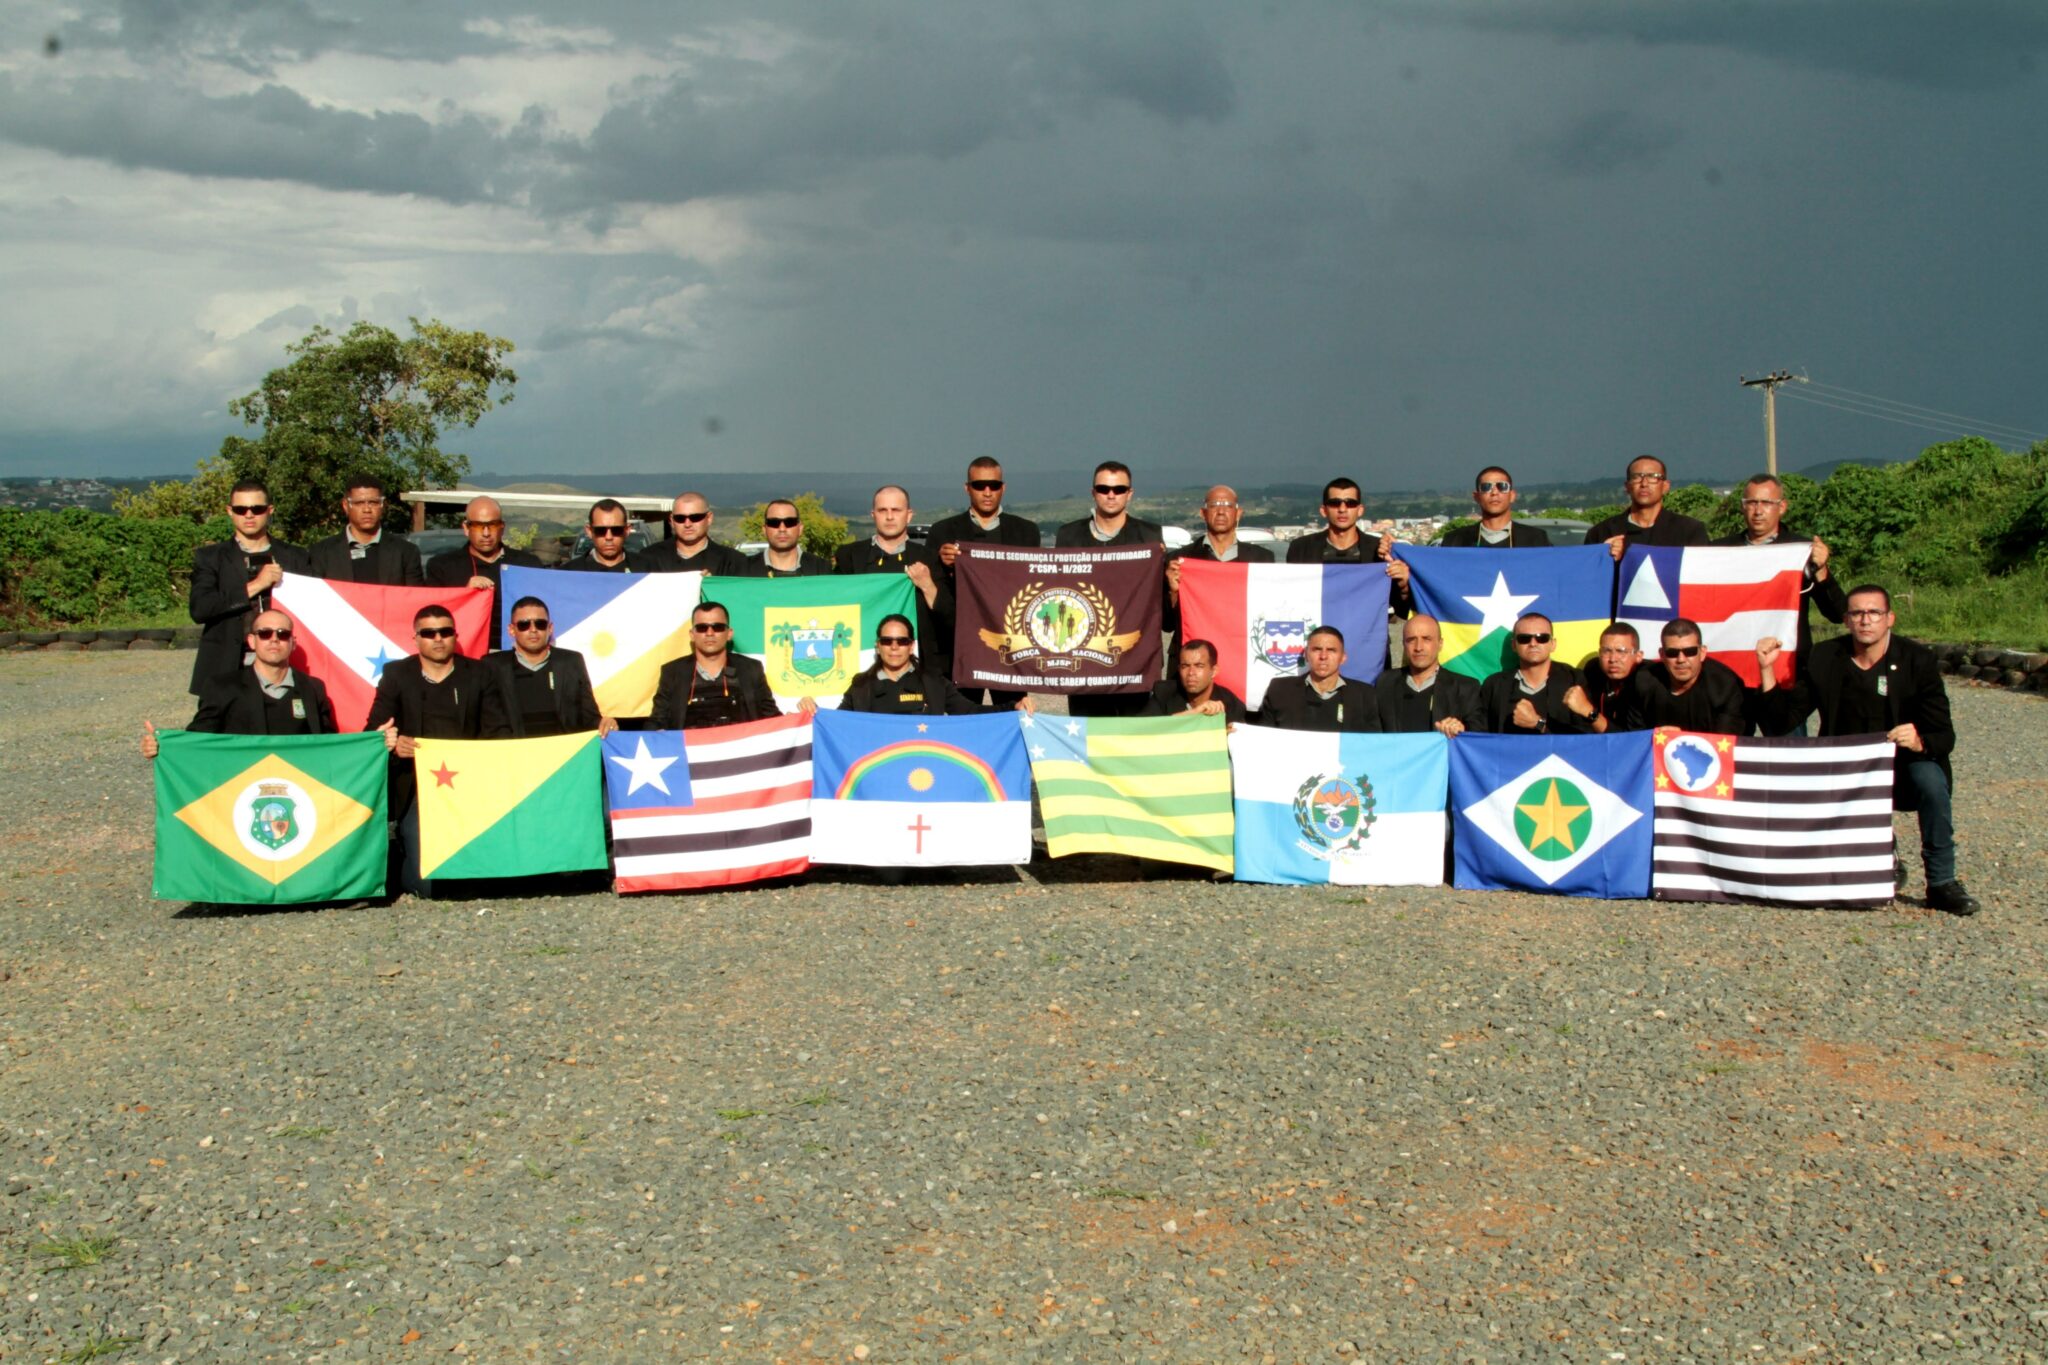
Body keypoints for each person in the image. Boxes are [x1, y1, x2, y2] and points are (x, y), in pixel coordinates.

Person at [1758, 586, 1978, 915]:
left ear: (1890, 618)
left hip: (1906, 761)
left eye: (1873, 613)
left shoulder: (1918, 660)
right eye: (1857, 613)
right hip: (1850, 768)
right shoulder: (1825, 658)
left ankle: (1942, 882)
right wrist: (1766, 670)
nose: (1865, 620)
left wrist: (1920, 740)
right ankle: (1880, 857)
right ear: (1846, 620)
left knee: (1931, 783)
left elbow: (1944, 735)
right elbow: (1781, 722)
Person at [365, 604, 512, 895]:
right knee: (427, 886)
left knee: (482, 882)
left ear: (455, 635)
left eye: (445, 631)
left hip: (469, 781)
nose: (437, 638)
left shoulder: (480, 674)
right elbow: (373, 731)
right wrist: (393, 743)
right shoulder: (396, 674)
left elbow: (498, 731)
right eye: (429, 632)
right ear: (416, 638)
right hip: (417, 784)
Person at [141, 609, 372, 755]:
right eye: (265, 633)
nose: (274, 639)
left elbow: (329, 744)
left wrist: (372, 743)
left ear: (292, 642)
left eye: (282, 634)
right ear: (252, 641)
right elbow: (198, 740)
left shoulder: (313, 688)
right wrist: (164, 746)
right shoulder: (222, 687)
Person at [924, 459, 1042, 706]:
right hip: (960, 646)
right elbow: (935, 592)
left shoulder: (1026, 532)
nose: (987, 492)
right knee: (963, 721)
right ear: (967, 488)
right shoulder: (942, 531)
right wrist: (944, 565)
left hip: (1010, 644)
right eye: (980, 485)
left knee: (1012, 718)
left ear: (1003, 488)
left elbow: (1034, 584)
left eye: (993, 485)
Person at [1712, 473, 1846, 688]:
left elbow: (1838, 614)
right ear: (1742, 507)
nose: (1758, 511)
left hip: (1786, 667)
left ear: (1782, 507)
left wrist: (1821, 571)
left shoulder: (1801, 551)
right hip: (1731, 668)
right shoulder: (1718, 551)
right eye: (1751, 503)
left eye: (1766, 503)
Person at [187, 478, 309, 695]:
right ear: (229, 511)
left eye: (257, 508)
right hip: (227, 666)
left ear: (270, 510)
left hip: (284, 664)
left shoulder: (296, 557)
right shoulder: (211, 558)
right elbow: (201, 608)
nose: (249, 515)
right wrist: (255, 586)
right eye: (241, 509)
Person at [833, 485, 949, 662]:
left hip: (919, 664)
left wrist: (927, 585)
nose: (889, 517)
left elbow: (949, 616)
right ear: (873, 515)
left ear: (909, 515)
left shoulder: (930, 558)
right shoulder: (849, 556)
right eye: (882, 510)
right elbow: (833, 603)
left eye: (896, 510)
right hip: (862, 658)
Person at [832, 614, 1034, 715]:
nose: (894, 647)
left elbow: (971, 712)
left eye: (901, 641)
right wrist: (812, 712)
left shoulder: (933, 682)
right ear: (878, 646)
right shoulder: (861, 685)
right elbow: (836, 724)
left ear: (911, 646)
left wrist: (1013, 707)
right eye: (887, 641)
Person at [483, 596, 614, 739]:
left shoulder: (571, 662)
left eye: (540, 624)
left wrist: (605, 723)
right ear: (511, 630)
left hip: (566, 756)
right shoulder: (493, 666)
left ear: (550, 628)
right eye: (524, 625)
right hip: (513, 755)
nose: (533, 630)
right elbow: (488, 723)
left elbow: (589, 717)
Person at [424, 494, 542, 650]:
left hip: (517, 652)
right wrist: (465, 594)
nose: (486, 533)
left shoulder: (527, 564)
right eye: (479, 526)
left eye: (492, 525)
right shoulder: (443, 566)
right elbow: (431, 617)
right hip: (464, 651)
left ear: (502, 527)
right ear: (466, 528)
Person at [649, 601, 781, 728]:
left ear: (729, 634)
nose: (709, 633)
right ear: (692, 634)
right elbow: (657, 722)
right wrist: (657, 732)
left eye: (717, 627)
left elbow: (772, 718)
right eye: (702, 628)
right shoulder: (673, 672)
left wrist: (798, 721)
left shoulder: (751, 669)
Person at [1283, 476, 1411, 606]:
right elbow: (1289, 596)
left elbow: (1400, 609)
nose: (1342, 509)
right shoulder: (1300, 548)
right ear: (1323, 510)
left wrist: (1404, 585)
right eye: (1335, 503)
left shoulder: (1380, 550)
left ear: (1360, 510)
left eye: (1350, 503)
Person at [1164, 485, 1274, 628]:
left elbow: (1270, 611)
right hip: (1196, 646)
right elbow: (1167, 624)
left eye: (1228, 506)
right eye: (1214, 505)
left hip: (1240, 643)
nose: (1221, 512)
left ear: (1238, 513)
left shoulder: (1262, 559)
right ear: (1203, 513)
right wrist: (1173, 592)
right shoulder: (1178, 560)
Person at [1619, 619, 1751, 734]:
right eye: (1672, 653)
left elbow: (1726, 746)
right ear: (1662, 655)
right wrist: (1654, 737)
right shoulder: (1643, 681)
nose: (1681, 659)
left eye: (1690, 651)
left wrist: (1680, 739)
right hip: (1655, 757)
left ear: (1702, 652)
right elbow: (1634, 739)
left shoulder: (1725, 686)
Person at [1477, 612, 1592, 734]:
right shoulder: (1495, 685)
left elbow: (1587, 738)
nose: (1533, 643)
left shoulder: (1574, 680)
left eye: (1542, 638)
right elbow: (1479, 734)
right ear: (1514, 645)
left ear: (1553, 644)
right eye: (1524, 639)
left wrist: (1538, 723)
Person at [306, 475, 424, 585]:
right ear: (346, 506)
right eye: (359, 503)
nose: (367, 509)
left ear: (383, 505)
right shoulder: (321, 553)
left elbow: (414, 600)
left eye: (373, 502)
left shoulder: (405, 553)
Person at [1255, 626, 1378, 731]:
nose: (1323, 656)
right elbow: (1261, 737)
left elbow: (1375, 745)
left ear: (1343, 657)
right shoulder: (1280, 690)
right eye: (1317, 649)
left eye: (1331, 650)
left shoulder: (1364, 695)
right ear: (1306, 655)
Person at [1584, 456, 1710, 559]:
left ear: (1665, 486)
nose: (1644, 484)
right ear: (1627, 486)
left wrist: (1629, 555)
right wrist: (1601, 556)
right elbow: (1587, 578)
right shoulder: (1601, 533)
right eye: (1637, 477)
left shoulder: (1689, 530)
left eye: (1653, 477)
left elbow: (1701, 576)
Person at [1373, 615, 1480, 734]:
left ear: (1440, 643)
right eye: (1411, 640)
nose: (1418, 647)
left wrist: (1462, 731)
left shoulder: (1465, 688)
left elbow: (1479, 740)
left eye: (1426, 639)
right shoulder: (1386, 682)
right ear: (1404, 644)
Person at [634, 491, 752, 577]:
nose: (687, 524)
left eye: (695, 517)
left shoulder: (732, 561)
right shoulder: (648, 558)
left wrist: (714, 587)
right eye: (680, 518)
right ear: (671, 520)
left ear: (709, 518)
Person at [1438, 467, 1553, 548]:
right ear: (1476, 497)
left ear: (1512, 496)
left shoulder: (1536, 539)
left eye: (1502, 487)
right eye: (1486, 487)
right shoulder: (1454, 541)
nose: (1494, 492)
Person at [1053, 462, 1163, 547]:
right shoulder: (1068, 535)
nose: (1111, 496)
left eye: (1119, 489)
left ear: (1129, 494)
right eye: (1103, 489)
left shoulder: (1150, 536)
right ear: (1093, 493)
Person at [1142, 639, 1247, 723]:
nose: (1191, 672)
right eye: (1185, 666)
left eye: (1199, 666)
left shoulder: (1230, 704)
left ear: (1214, 671)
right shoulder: (1163, 693)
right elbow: (1140, 728)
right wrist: (1193, 713)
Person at [744, 498, 832, 576]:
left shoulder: (821, 570)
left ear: (800, 528)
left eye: (790, 522)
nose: (782, 529)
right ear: (764, 530)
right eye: (774, 522)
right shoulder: (745, 571)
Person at [1581, 622, 1643, 734]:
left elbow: (1630, 740)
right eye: (1606, 651)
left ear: (1638, 656)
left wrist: (1589, 712)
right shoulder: (1593, 670)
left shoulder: (1646, 681)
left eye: (1621, 651)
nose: (1613, 659)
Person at [562, 499, 636, 572]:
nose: (609, 537)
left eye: (616, 530)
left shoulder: (645, 571)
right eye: (600, 530)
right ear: (589, 531)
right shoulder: (568, 573)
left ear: (627, 530)